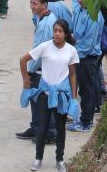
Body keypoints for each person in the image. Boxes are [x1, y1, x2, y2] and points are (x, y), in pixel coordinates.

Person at [19, 19, 78, 172]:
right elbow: (23, 59)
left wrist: (73, 96)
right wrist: (26, 80)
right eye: (55, 30)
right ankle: (38, 159)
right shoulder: (45, 47)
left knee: (60, 128)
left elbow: (72, 75)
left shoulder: (71, 50)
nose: (57, 33)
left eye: (60, 31)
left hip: (61, 96)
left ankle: (60, 160)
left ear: (66, 33)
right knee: (42, 128)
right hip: (44, 95)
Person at [16, 0, 58, 142]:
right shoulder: (45, 18)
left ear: (44, 5)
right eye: (31, 2)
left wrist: (30, 71)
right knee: (36, 101)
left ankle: (50, 133)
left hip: (43, 68)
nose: (31, 6)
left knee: (43, 102)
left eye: (35, 3)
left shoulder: (46, 24)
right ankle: (36, 128)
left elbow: (39, 51)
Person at [68, 0, 103, 133]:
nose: (80, 0)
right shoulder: (81, 11)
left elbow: (87, 43)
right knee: (83, 89)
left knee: (87, 90)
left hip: (87, 58)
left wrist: (74, 55)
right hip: (79, 55)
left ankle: (86, 122)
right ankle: (83, 119)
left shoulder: (94, 15)